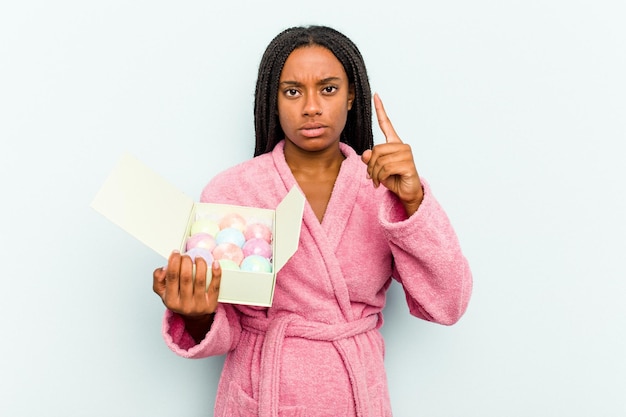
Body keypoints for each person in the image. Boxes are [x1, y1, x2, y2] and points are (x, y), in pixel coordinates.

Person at [153, 25, 472, 417]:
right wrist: (196, 312)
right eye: (292, 91)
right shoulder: (232, 190)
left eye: (328, 89)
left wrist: (413, 200)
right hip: (261, 393)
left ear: (353, 95)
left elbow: (447, 304)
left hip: (354, 394)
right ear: (273, 100)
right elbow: (229, 325)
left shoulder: (384, 189)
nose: (311, 107)